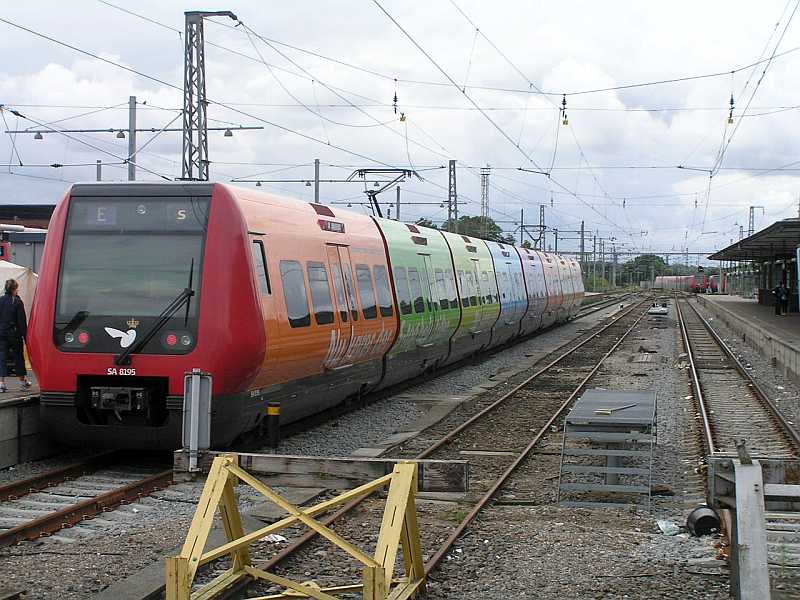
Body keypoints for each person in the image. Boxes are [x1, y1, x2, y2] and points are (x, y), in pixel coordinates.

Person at [0, 279, 31, 392]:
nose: (18, 290)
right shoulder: (17, 302)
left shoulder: (1, 300)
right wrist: (26, 337)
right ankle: (23, 382)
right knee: (18, 357)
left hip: (2, 333)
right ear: (14, 289)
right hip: (14, 334)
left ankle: (1, 383)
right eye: (17, 288)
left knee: (2, 357)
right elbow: (22, 322)